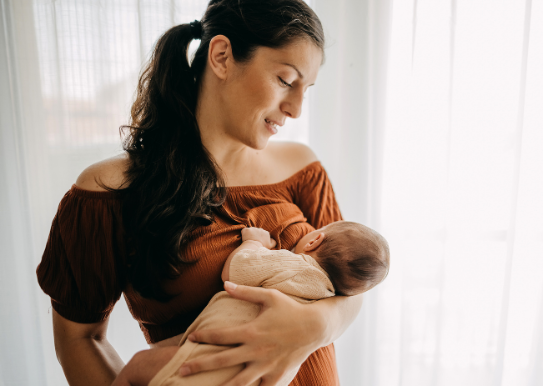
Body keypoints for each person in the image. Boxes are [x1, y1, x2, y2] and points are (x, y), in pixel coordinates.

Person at [35, 1, 363, 385]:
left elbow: (352, 283)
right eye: (286, 81)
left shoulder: (302, 169)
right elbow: (79, 338)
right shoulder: (107, 194)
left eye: (306, 90)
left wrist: (314, 325)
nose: (295, 109)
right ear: (222, 56)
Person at [112, 220, 390, 386]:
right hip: (255, 377)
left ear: (315, 239)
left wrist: (253, 244)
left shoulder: (296, 264)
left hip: (212, 365)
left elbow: (236, 271)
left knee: (138, 366)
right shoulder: (328, 295)